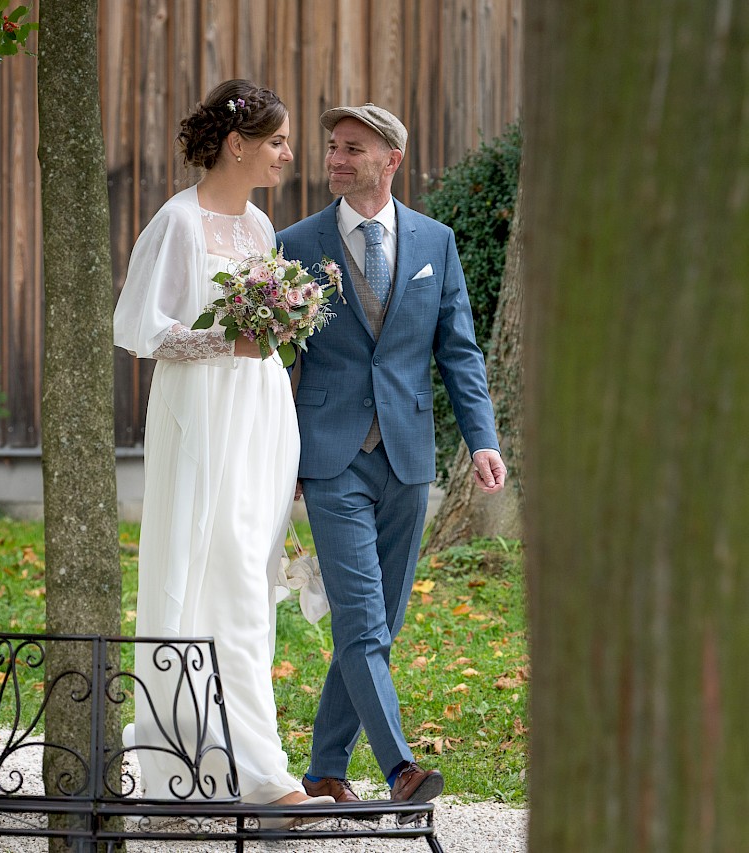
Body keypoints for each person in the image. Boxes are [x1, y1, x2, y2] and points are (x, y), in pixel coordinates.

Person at [112, 79, 334, 819]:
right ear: (237, 144)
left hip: (260, 411)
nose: (287, 153)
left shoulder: (263, 227)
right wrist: (223, 340)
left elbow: (265, 333)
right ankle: (213, 757)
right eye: (276, 141)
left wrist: (273, 336)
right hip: (201, 414)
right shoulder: (177, 222)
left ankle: (249, 758)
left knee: (253, 568)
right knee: (206, 563)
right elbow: (140, 327)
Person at [276, 104, 506, 811]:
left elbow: (458, 351)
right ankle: (402, 766)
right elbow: (274, 361)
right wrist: (274, 454)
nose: (336, 159)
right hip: (330, 456)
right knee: (362, 616)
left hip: (408, 457)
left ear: (391, 161)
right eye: (333, 147)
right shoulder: (295, 243)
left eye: (353, 149)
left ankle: (323, 768)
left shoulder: (435, 241)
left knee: (380, 620)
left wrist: (483, 438)